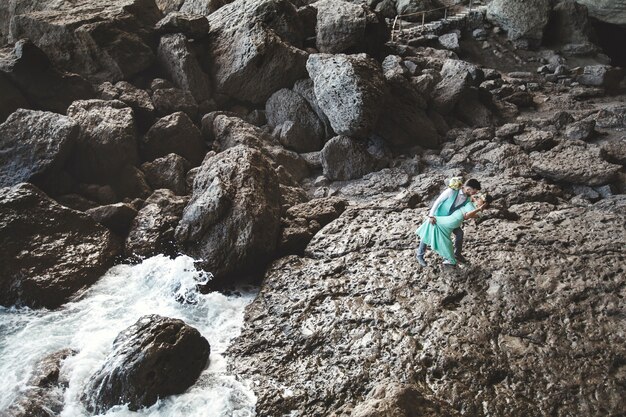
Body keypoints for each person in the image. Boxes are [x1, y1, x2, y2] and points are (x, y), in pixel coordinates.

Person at [415, 178, 481, 266]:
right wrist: (431, 215)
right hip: (439, 216)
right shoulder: (451, 191)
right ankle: (420, 255)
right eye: (474, 191)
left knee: (459, 233)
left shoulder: (468, 198)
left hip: (450, 219)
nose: (475, 193)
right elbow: (438, 201)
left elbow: (466, 212)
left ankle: (457, 254)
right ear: (469, 189)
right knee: (429, 232)